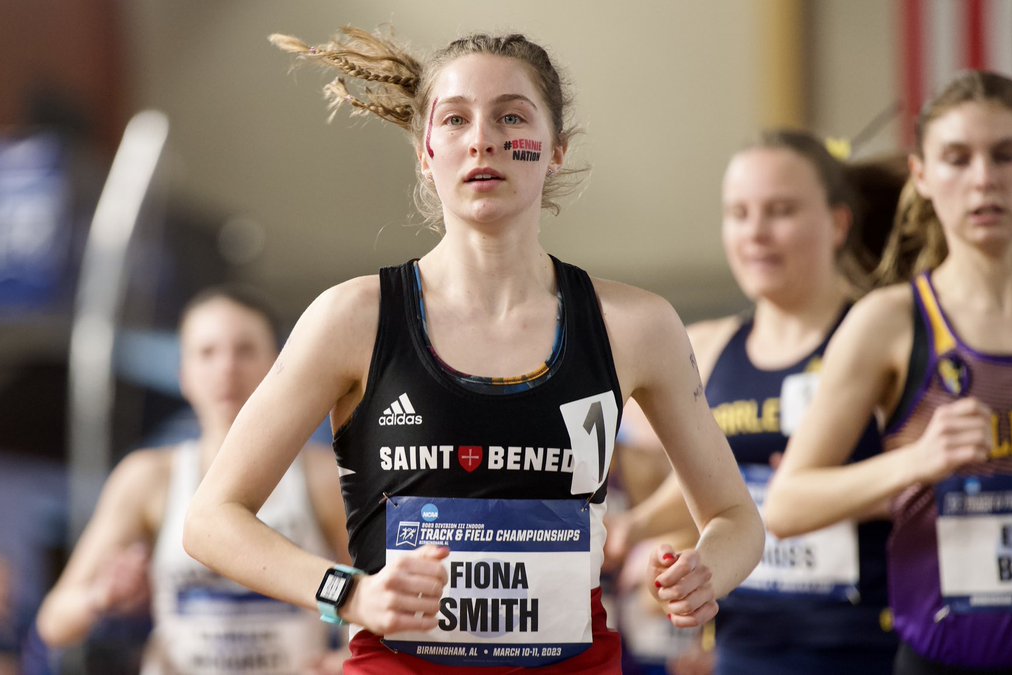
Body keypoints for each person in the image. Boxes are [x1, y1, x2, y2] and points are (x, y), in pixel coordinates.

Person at [183, 27, 763, 673]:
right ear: (425, 154)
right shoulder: (351, 318)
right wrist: (348, 593)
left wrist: (707, 568)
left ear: (556, 149)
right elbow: (210, 519)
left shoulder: (636, 324)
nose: (482, 138)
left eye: (511, 115)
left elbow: (737, 515)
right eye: (455, 119)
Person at [764, 70, 1012, 673]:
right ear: (922, 175)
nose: (984, 179)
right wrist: (916, 461)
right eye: (957, 158)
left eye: (1007, 154)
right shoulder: (891, 322)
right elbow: (786, 506)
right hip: (940, 658)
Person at [604, 130, 904, 674]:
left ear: (838, 223)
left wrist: (814, 494)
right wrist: (637, 526)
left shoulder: (884, 338)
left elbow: (935, 474)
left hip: (864, 646)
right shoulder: (708, 345)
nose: (757, 233)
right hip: (746, 647)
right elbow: (720, 479)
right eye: (739, 214)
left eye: (781, 211)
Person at [36, 286, 350, 674]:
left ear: (277, 365)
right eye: (207, 352)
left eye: (245, 350)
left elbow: (371, 597)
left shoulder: (322, 477)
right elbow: (54, 622)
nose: (226, 368)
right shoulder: (149, 478)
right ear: (183, 374)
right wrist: (99, 597)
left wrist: (348, 662)